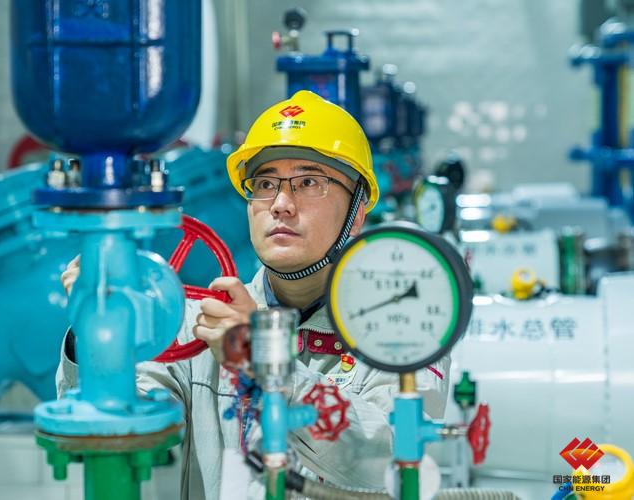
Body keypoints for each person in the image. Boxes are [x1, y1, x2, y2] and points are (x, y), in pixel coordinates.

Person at [57, 90, 450, 499]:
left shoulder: (403, 333)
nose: (280, 204)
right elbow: (114, 429)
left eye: (308, 182)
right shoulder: (198, 328)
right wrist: (101, 331)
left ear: (358, 211)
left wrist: (268, 363)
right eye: (264, 184)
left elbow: (390, 462)